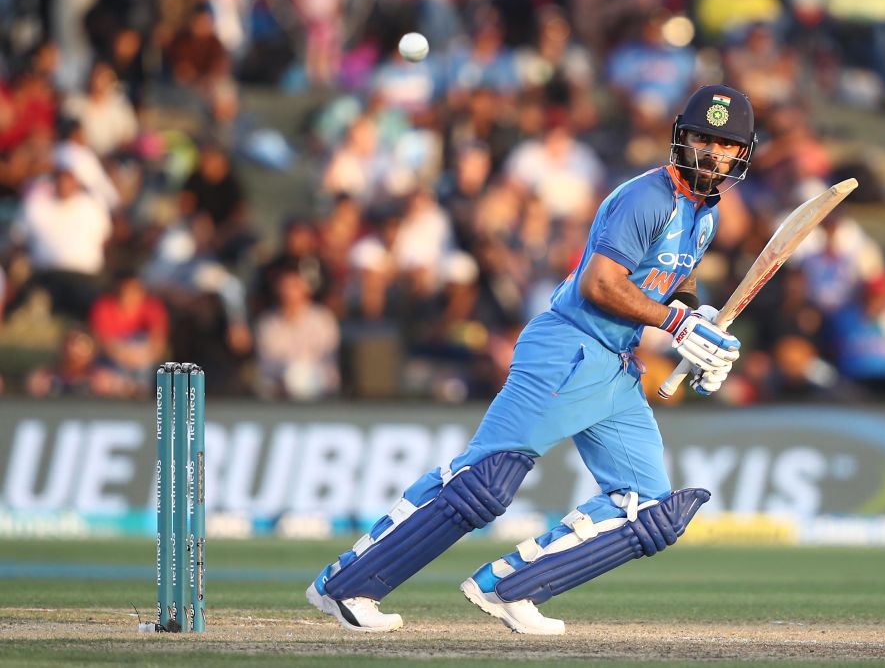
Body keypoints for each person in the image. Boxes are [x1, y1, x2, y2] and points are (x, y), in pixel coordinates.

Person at [306, 85, 755, 634]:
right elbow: (599, 284)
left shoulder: (705, 216)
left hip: (616, 364)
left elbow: (673, 282)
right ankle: (347, 585)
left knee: (647, 509)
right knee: (486, 480)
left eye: (725, 144)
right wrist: (676, 324)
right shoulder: (647, 198)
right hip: (569, 347)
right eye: (704, 139)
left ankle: (510, 587)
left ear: (741, 153)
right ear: (682, 138)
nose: (712, 153)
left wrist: (697, 326)